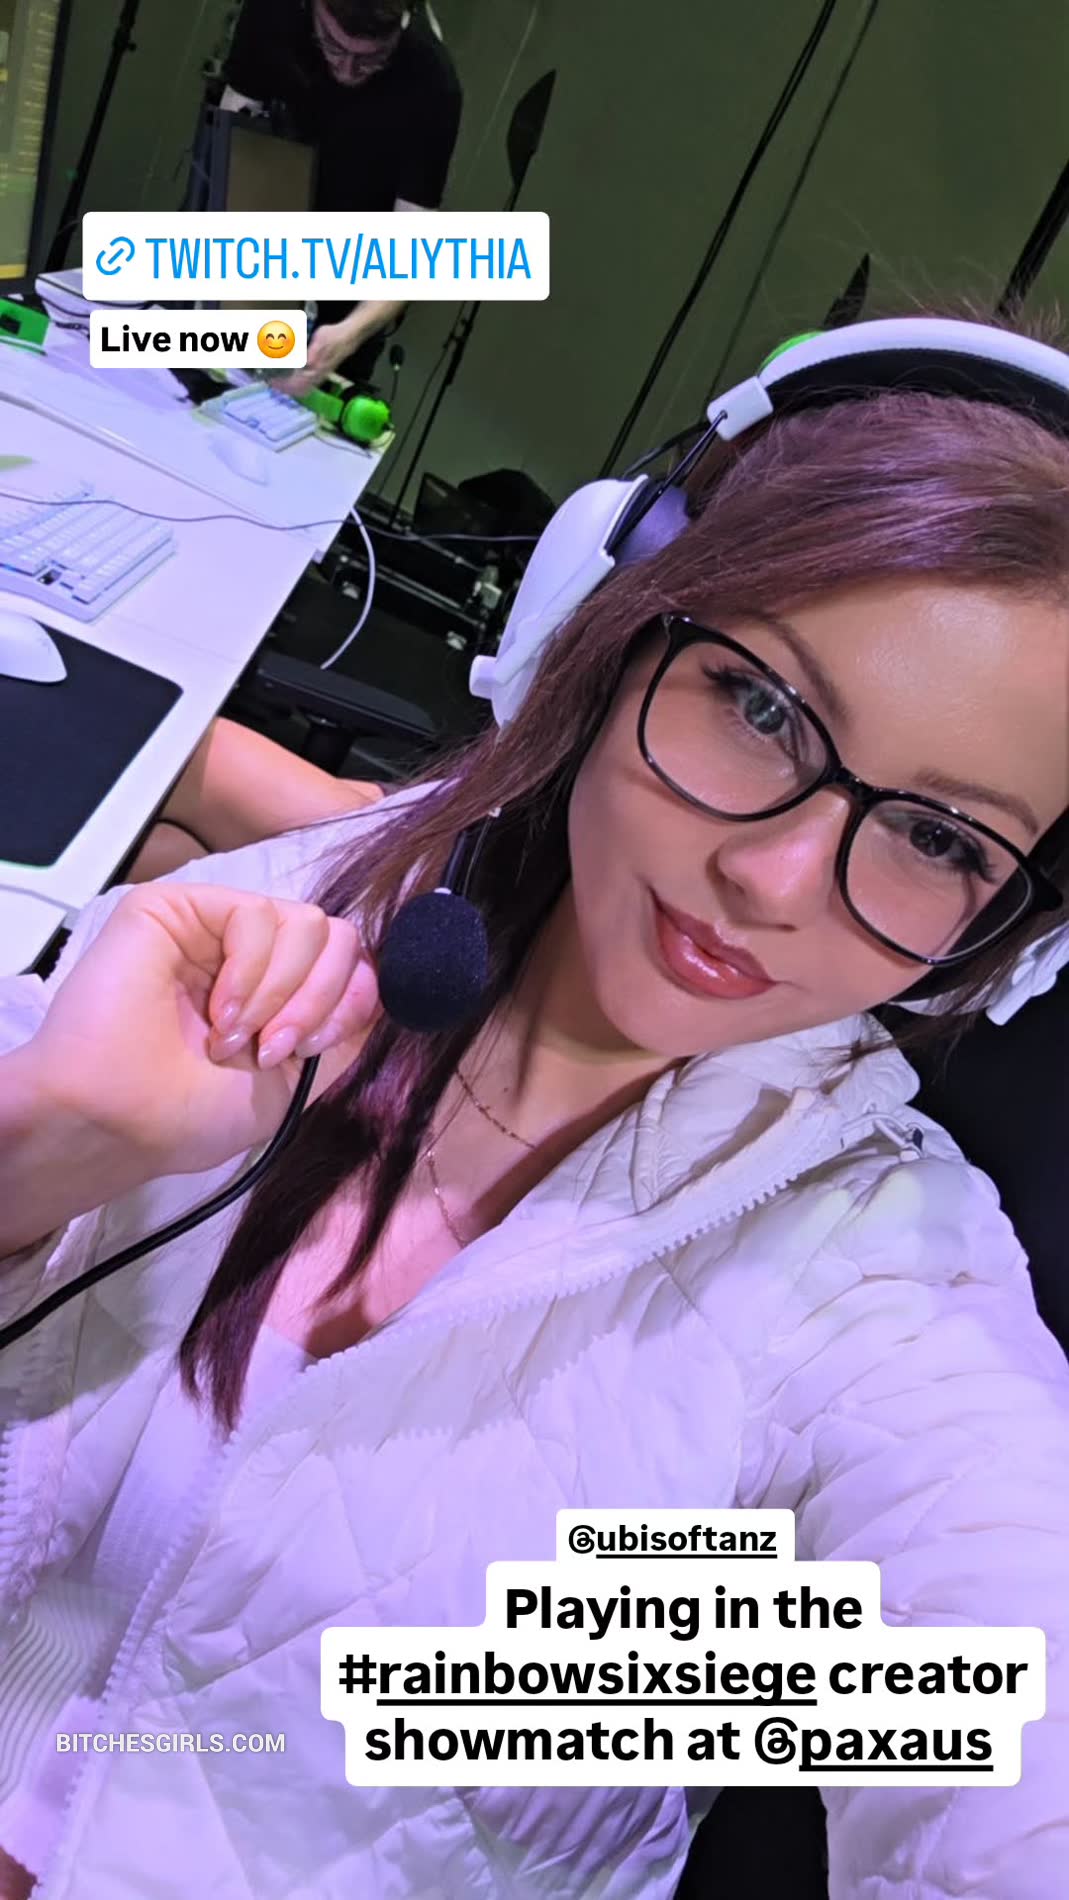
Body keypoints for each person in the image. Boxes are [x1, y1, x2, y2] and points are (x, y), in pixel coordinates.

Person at [1, 309, 1069, 1900]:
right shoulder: (321, 900)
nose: (774, 879)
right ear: (606, 623)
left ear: (1012, 934)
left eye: (939, 838)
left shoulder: (885, 1288)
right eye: (761, 707)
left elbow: (1010, 1690)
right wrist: (41, 1151)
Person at [219, 0, 463, 392]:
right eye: (332, 46)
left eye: (371, 59)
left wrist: (349, 334)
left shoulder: (432, 83)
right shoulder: (274, 12)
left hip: (343, 300)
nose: (348, 71)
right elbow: (230, 144)